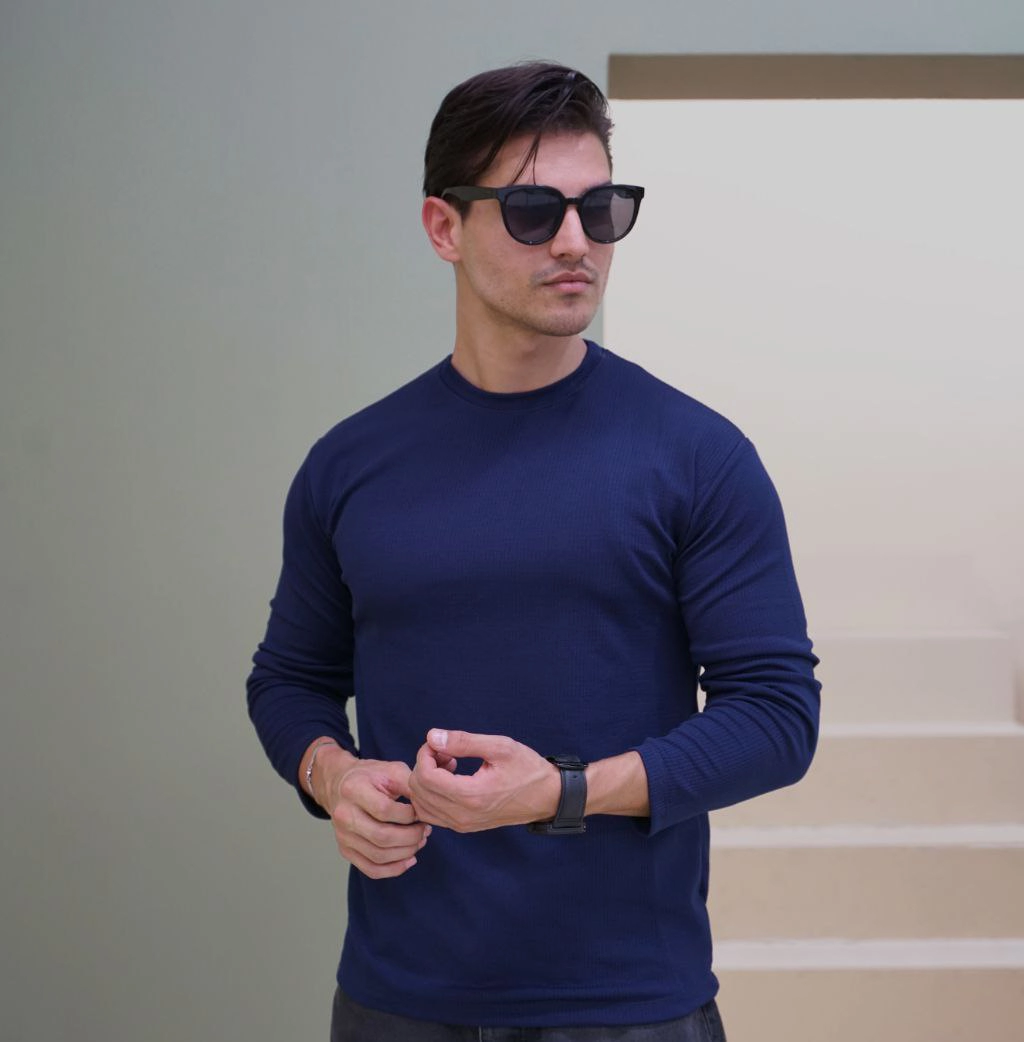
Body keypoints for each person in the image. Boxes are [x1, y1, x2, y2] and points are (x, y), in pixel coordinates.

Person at [247, 61, 819, 1042]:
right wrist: (331, 775)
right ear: (444, 227)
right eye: (531, 211)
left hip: (630, 1007)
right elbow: (289, 680)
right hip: (399, 999)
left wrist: (560, 792)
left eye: (600, 210)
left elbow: (776, 716)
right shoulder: (350, 465)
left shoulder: (696, 456)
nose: (574, 242)